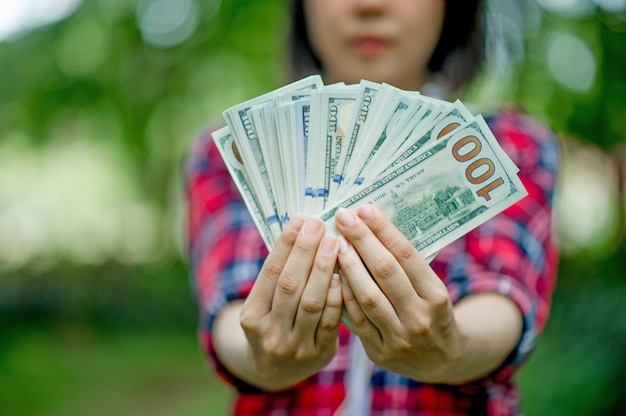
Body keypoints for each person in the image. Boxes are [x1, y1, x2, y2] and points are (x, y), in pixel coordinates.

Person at [185, 0, 559, 414]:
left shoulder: (511, 147)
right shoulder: (237, 151)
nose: (369, 5)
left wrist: (451, 349)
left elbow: (504, 296)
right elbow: (229, 312)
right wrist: (262, 356)